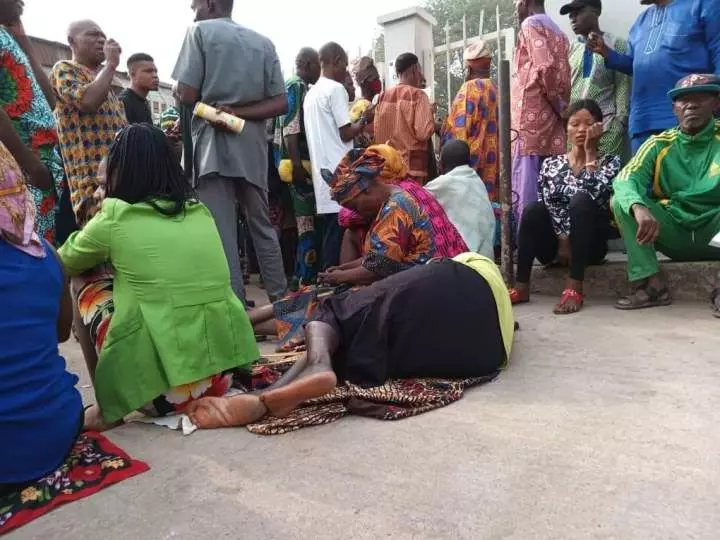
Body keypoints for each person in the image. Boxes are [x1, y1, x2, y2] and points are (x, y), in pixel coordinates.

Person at [58, 124, 260, 431]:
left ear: (121, 176)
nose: (100, 190)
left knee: (82, 281)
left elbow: (62, 261)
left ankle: (107, 409)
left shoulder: (114, 218)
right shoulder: (198, 211)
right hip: (224, 373)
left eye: (103, 182)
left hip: (159, 391)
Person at [181, 253, 515, 429]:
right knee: (359, 337)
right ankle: (274, 390)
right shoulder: (499, 309)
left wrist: (340, 276)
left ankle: (301, 366)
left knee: (334, 305)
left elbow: (381, 264)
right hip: (484, 351)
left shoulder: (401, 208)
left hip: (463, 284)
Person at [173, 0, 288, 303]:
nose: (192, 9)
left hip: (215, 149)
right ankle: (286, 313)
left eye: (194, 3)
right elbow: (280, 103)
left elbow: (186, 94)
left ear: (210, 3)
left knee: (224, 235)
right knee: (263, 229)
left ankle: (240, 320)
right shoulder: (263, 43)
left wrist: (220, 113)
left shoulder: (198, 32)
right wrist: (240, 112)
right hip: (252, 149)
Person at [0, 141, 82, 495]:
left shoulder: (113, 220)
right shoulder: (45, 254)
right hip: (57, 427)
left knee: (95, 293)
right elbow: (61, 333)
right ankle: (275, 314)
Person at [611, 74, 720, 316]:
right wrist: (638, 206)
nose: (691, 105)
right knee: (621, 200)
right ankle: (652, 285)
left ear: (717, 102)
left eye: (701, 97)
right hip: (674, 231)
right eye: (683, 100)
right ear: (674, 109)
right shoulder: (659, 144)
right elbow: (625, 179)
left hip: (716, 231)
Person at [510, 99, 621, 314]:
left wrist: (590, 154)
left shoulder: (611, 163)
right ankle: (521, 285)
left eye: (588, 124)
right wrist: (562, 239)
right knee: (533, 209)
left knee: (581, 201)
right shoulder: (551, 164)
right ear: (566, 128)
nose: (581, 130)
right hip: (554, 248)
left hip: (589, 246)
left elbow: (596, 198)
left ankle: (574, 285)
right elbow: (546, 206)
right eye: (574, 124)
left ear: (599, 128)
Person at [317, 145, 467, 286]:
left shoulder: (396, 208)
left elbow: (380, 268)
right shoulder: (394, 199)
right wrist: (343, 269)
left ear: (367, 190)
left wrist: (339, 277)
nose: (357, 212)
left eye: (356, 206)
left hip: (419, 285)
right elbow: (376, 258)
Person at [587, 0, 720, 154]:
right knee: (643, 176)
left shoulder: (703, 4)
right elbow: (634, 65)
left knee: (686, 176)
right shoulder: (640, 22)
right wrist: (606, 52)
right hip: (642, 119)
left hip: (688, 116)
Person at [0, 0, 66, 243]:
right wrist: (30, 164)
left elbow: (49, 100)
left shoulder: (9, 40)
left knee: (44, 244)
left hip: (41, 164)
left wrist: (26, 46)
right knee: (26, 246)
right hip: (19, 167)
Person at [50, 20, 127, 228]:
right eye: (93, 35)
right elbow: (87, 101)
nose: (101, 40)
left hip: (120, 182)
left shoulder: (105, 84)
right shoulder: (64, 69)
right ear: (71, 41)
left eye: (103, 36)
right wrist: (111, 65)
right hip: (91, 186)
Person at [303, 42, 371, 270]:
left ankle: (326, 287)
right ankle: (336, 290)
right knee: (341, 239)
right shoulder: (335, 89)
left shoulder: (310, 95)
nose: (346, 71)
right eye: (345, 65)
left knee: (329, 237)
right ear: (336, 61)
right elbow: (345, 133)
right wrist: (363, 121)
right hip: (341, 176)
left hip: (322, 178)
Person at [512, 0, 571, 222]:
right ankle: (554, 238)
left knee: (527, 177)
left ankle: (526, 239)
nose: (515, 7)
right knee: (551, 176)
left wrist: (557, 102)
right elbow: (563, 73)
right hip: (552, 117)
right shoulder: (559, 32)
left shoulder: (530, 24)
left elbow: (544, 66)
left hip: (532, 114)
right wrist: (561, 107)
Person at [562, 0, 630, 162]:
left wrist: (619, 124)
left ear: (595, 11)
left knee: (605, 179)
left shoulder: (615, 44)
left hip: (606, 129)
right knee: (577, 178)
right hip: (574, 133)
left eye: (578, 12)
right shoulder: (570, 49)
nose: (572, 18)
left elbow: (623, 86)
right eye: (570, 14)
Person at [276, 47, 321, 286]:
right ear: (309, 63)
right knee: (306, 225)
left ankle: (298, 275)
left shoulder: (289, 84)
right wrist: (297, 166)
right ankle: (305, 278)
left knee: (296, 224)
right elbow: (291, 129)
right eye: (318, 65)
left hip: (286, 166)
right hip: (295, 166)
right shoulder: (297, 86)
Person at [441, 41, 499, 204]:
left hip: (472, 166)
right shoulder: (496, 88)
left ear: (469, 68)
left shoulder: (469, 89)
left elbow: (457, 132)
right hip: (493, 164)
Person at [425, 140, 496, 259]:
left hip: (466, 258)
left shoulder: (446, 182)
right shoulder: (475, 179)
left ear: (443, 162)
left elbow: (415, 197)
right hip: (486, 256)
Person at [374, 53, 435, 183]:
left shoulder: (382, 97)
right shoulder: (418, 95)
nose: (420, 75)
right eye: (420, 71)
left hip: (389, 170)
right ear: (414, 70)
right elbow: (424, 132)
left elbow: (378, 135)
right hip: (412, 172)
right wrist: (430, 115)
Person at [349, 56, 381, 148]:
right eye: (375, 79)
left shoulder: (364, 103)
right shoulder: (364, 105)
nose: (378, 82)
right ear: (366, 83)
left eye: (378, 79)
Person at [120, 53, 159, 125]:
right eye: (148, 71)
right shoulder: (123, 102)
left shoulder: (144, 102)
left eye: (156, 71)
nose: (155, 75)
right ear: (132, 75)